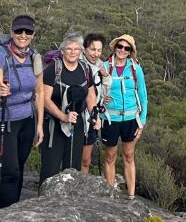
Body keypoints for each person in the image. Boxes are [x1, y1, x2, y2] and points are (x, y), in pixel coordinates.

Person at [0, 14, 43, 208]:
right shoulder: (0, 54)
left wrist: (39, 124)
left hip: (27, 121)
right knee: (10, 171)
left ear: (33, 34)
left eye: (28, 31)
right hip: (0, 120)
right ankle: (5, 212)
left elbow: (39, 91)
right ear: (11, 32)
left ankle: (14, 209)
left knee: (19, 169)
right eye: (19, 31)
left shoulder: (34, 56)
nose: (23, 35)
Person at [39, 31, 97, 184]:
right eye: (69, 49)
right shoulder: (53, 69)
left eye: (76, 49)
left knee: (72, 170)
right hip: (53, 126)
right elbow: (44, 99)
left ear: (81, 51)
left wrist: (95, 115)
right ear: (62, 50)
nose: (73, 52)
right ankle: (46, 204)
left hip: (77, 126)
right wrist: (63, 117)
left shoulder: (85, 69)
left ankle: (68, 204)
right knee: (50, 170)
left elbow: (90, 95)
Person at [100, 33, 147, 197]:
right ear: (114, 47)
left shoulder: (135, 68)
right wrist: (101, 99)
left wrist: (142, 121)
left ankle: (131, 195)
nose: (122, 50)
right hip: (110, 118)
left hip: (130, 119)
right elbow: (95, 91)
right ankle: (110, 194)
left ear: (130, 52)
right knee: (110, 156)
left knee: (129, 156)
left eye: (126, 48)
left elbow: (143, 95)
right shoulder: (104, 67)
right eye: (120, 46)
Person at [79, 33, 107, 174]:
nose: (96, 53)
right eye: (92, 49)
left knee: (86, 160)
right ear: (84, 49)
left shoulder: (101, 66)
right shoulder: (76, 63)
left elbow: (104, 89)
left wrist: (106, 75)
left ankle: (80, 189)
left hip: (92, 117)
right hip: (76, 117)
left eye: (99, 50)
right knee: (72, 158)